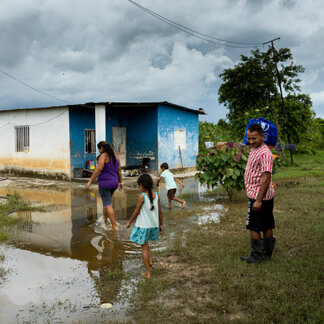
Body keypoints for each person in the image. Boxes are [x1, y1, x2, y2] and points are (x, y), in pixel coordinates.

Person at [241, 123, 276, 263]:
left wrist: (258, 200)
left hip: (259, 196)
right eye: (249, 138)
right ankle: (266, 255)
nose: (251, 141)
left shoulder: (265, 153)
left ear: (262, 136)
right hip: (261, 195)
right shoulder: (254, 148)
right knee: (267, 224)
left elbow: (266, 177)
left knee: (254, 226)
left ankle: (256, 257)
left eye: (254, 138)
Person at [126, 174, 163, 279]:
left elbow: (136, 211)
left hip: (143, 226)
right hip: (153, 226)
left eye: (138, 186)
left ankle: (148, 273)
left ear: (142, 185)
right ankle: (150, 262)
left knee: (144, 248)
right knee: (146, 245)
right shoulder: (157, 195)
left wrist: (129, 222)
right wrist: (161, 225)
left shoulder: (142, 196)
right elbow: (160, 212)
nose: (139, 188)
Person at [86, 141, 123, 230]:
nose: (99, 151)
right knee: (106, 202)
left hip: (105, 183)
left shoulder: (103, 156)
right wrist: (120, 182)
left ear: (101, 148)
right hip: (114, 183)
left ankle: (115, 226)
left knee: (108, 204)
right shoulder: (115, 157)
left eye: (99, 149)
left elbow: (99, 169)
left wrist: (90, 180)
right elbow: (119, 170)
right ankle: (105, 220)